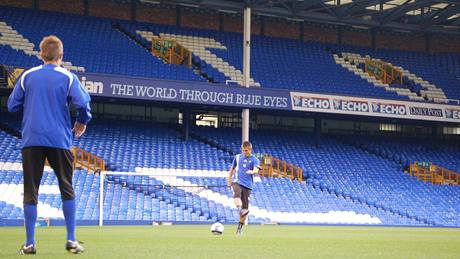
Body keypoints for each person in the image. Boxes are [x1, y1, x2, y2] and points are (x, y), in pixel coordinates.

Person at [8, 35, 91, 255]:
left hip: (32, 139)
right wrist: (81, 122)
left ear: (40, 54)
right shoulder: (68, 77)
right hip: (59, 139)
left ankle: (29, 243)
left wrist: (32, 108)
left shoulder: (27, 76)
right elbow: (83, 103)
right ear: (61, 56)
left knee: (30, 191)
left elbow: (12, 106)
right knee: (67, 186)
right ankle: (71, 240)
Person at [227, 141, 260, 235]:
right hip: (237, 182)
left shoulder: (255, 159)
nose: (244, 152)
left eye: (246, 150)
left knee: (246, 209)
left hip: (248, 186)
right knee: (236, 195)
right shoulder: (237, 157)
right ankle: (239, 209)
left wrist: (252, 172)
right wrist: (229, 180)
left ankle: (239, 229)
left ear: (250, 150)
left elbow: (256, 169)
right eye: (243, 150)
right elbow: (232, 169)